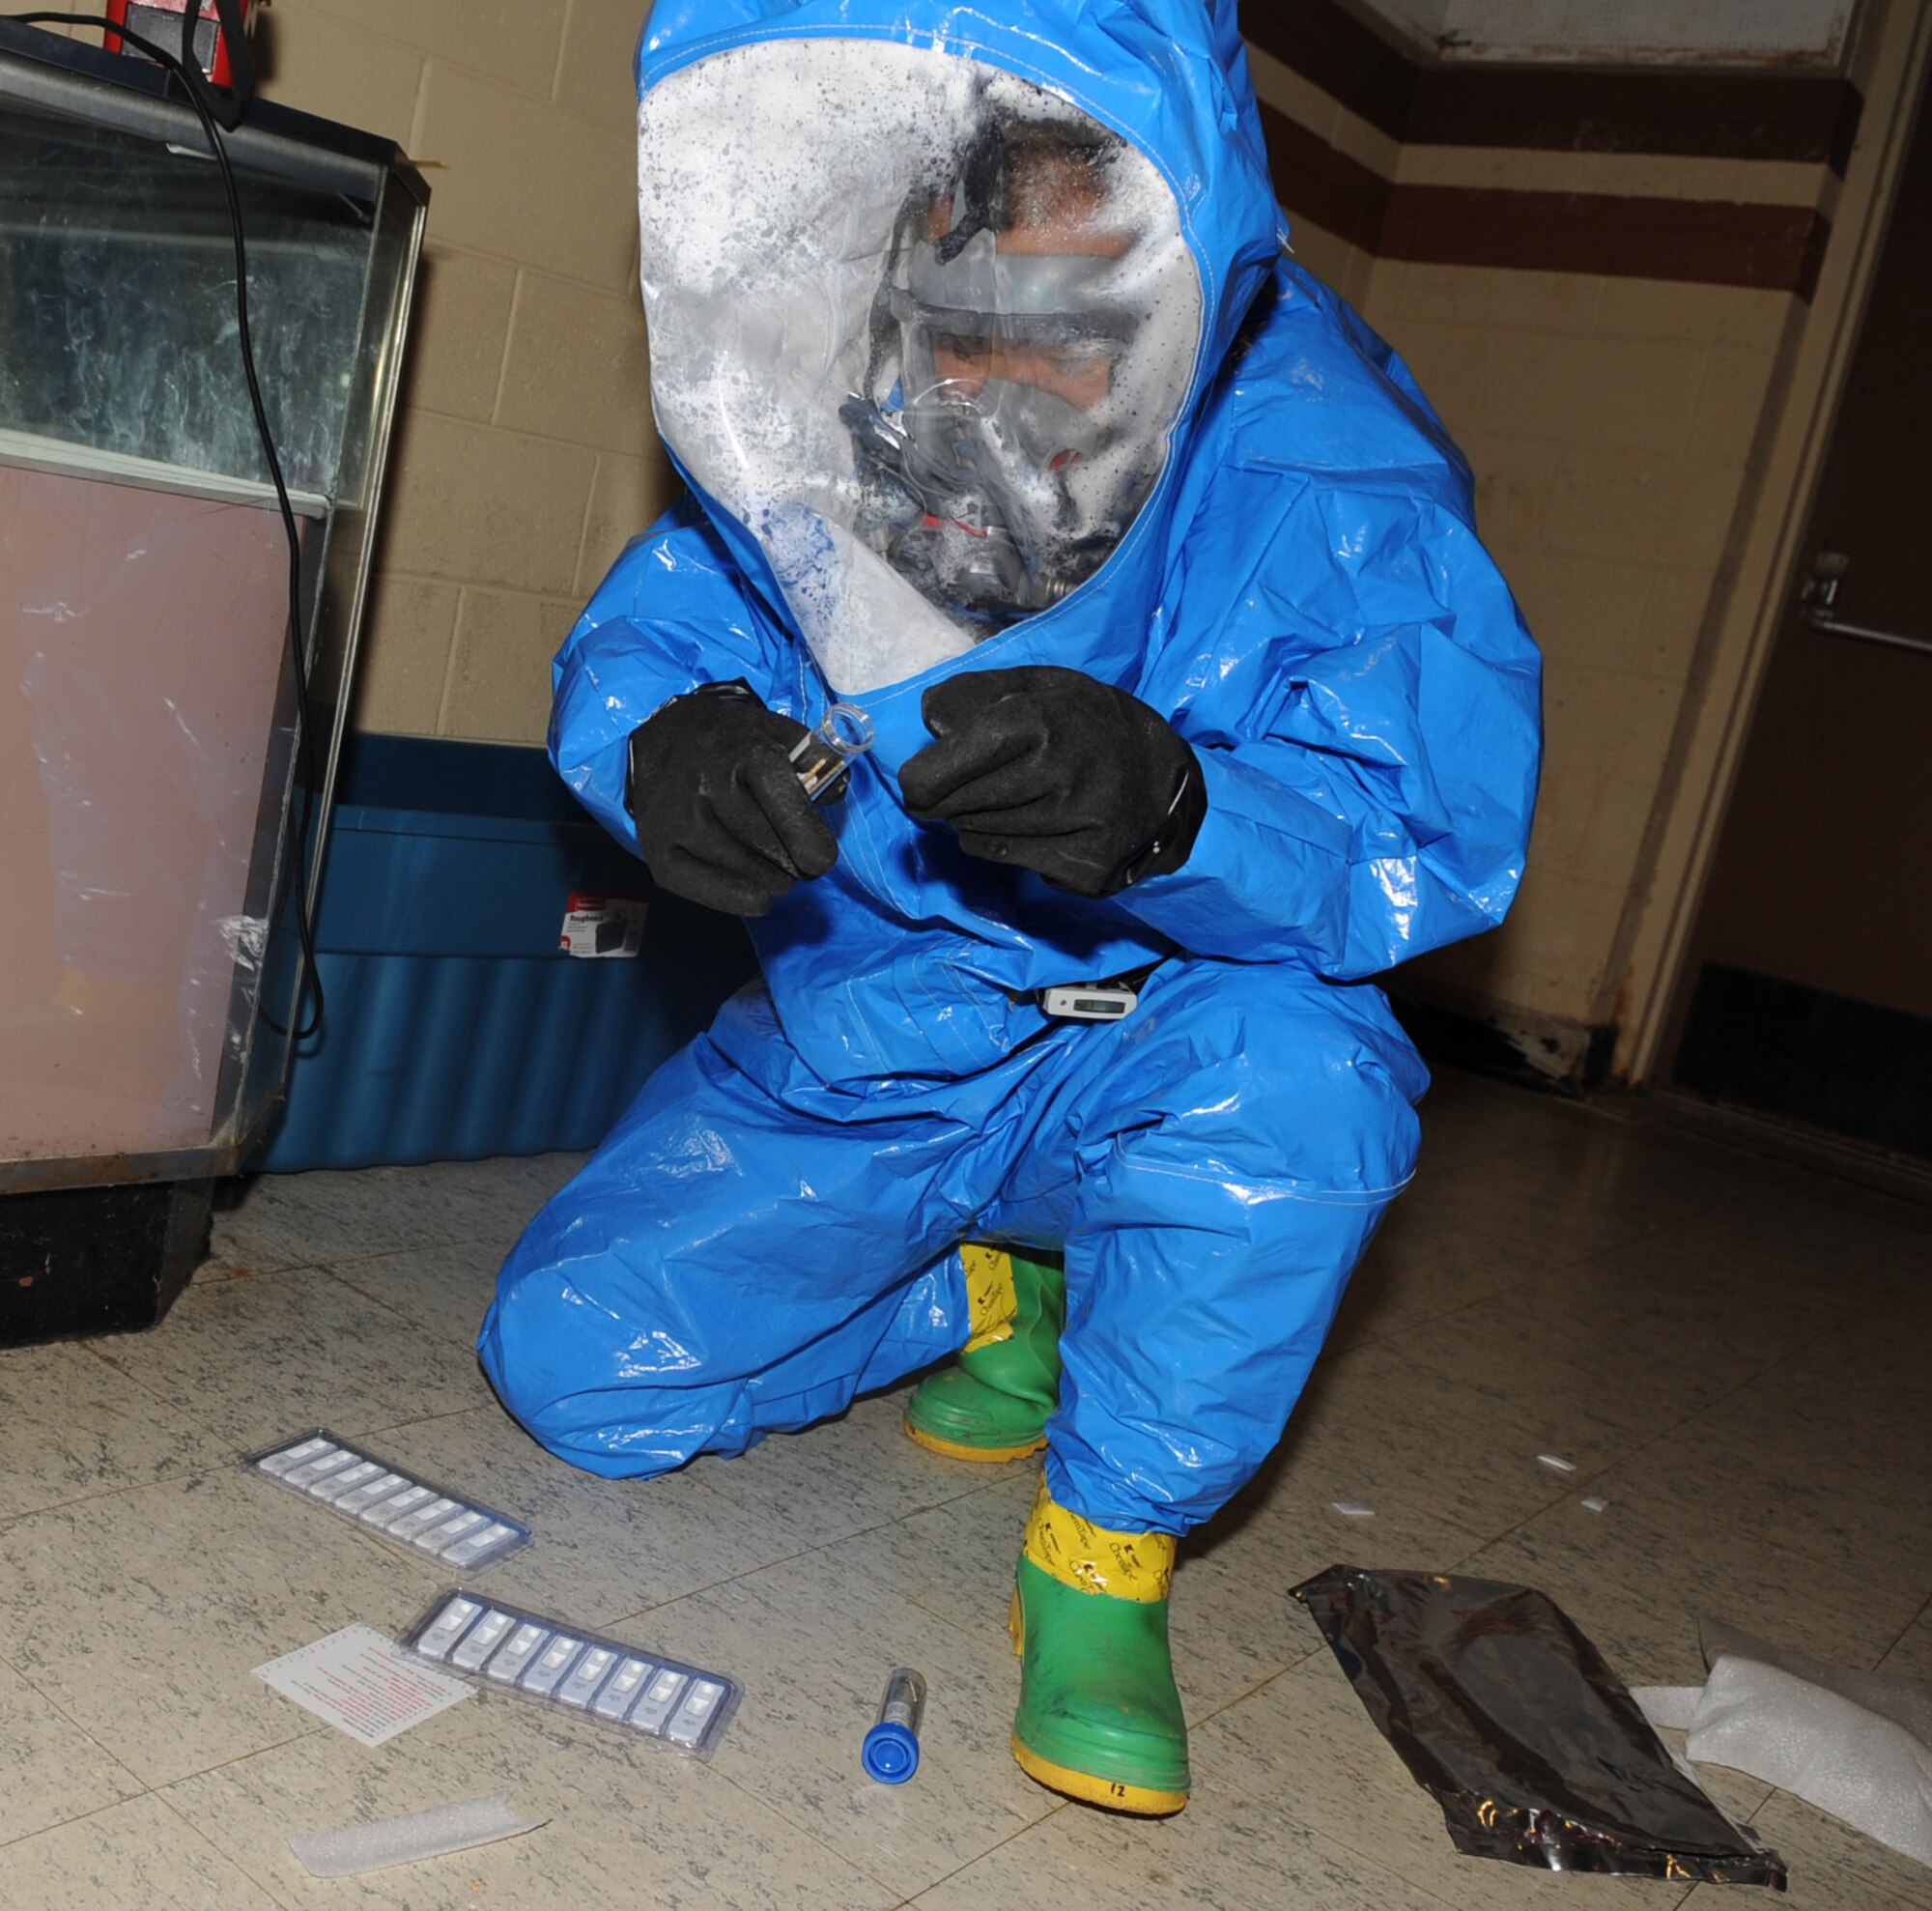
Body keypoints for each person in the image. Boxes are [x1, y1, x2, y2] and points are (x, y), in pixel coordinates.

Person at [479, 0, 1542, 1817]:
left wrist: (1183, 809)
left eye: (1073, 326)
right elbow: (664, 627)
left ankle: (1103, 1552)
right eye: (967, 317)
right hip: (880, 1040)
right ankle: (993, 1286)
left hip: (1166, 1043)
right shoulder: (863, 412)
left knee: (1305, 1088)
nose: (1001, 380)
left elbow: (1422, 825)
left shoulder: (1318, 465)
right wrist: (665, 744)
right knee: (577, 1364)